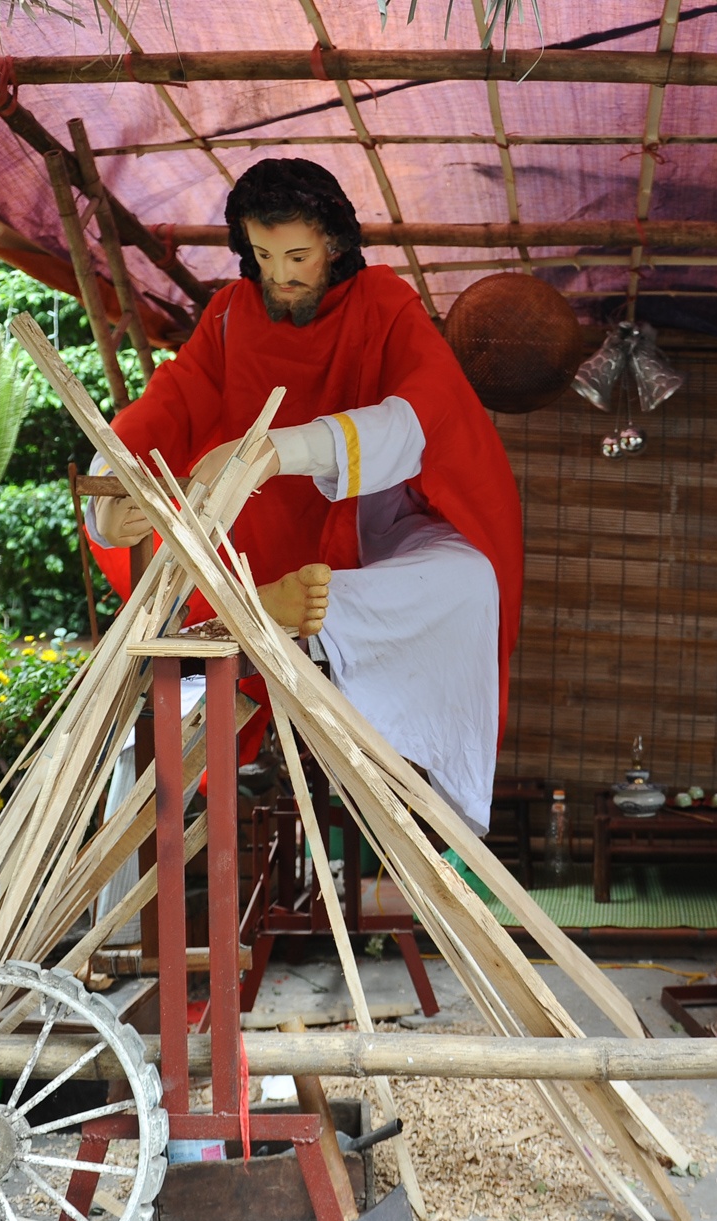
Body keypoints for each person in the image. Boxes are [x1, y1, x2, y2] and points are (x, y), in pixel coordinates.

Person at [86, 158, 522, 832]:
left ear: (335, 245)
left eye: (297, 256)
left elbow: (420, 419)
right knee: (160, 550)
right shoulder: (231, 316)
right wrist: (110, 491)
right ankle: (263, 610)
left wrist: (278, 450)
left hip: (362, 534)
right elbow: (166, 405)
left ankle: (296, 615)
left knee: (470, 579)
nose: (281, 277)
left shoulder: (383, 303)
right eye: (262, 256)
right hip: (260, 546)